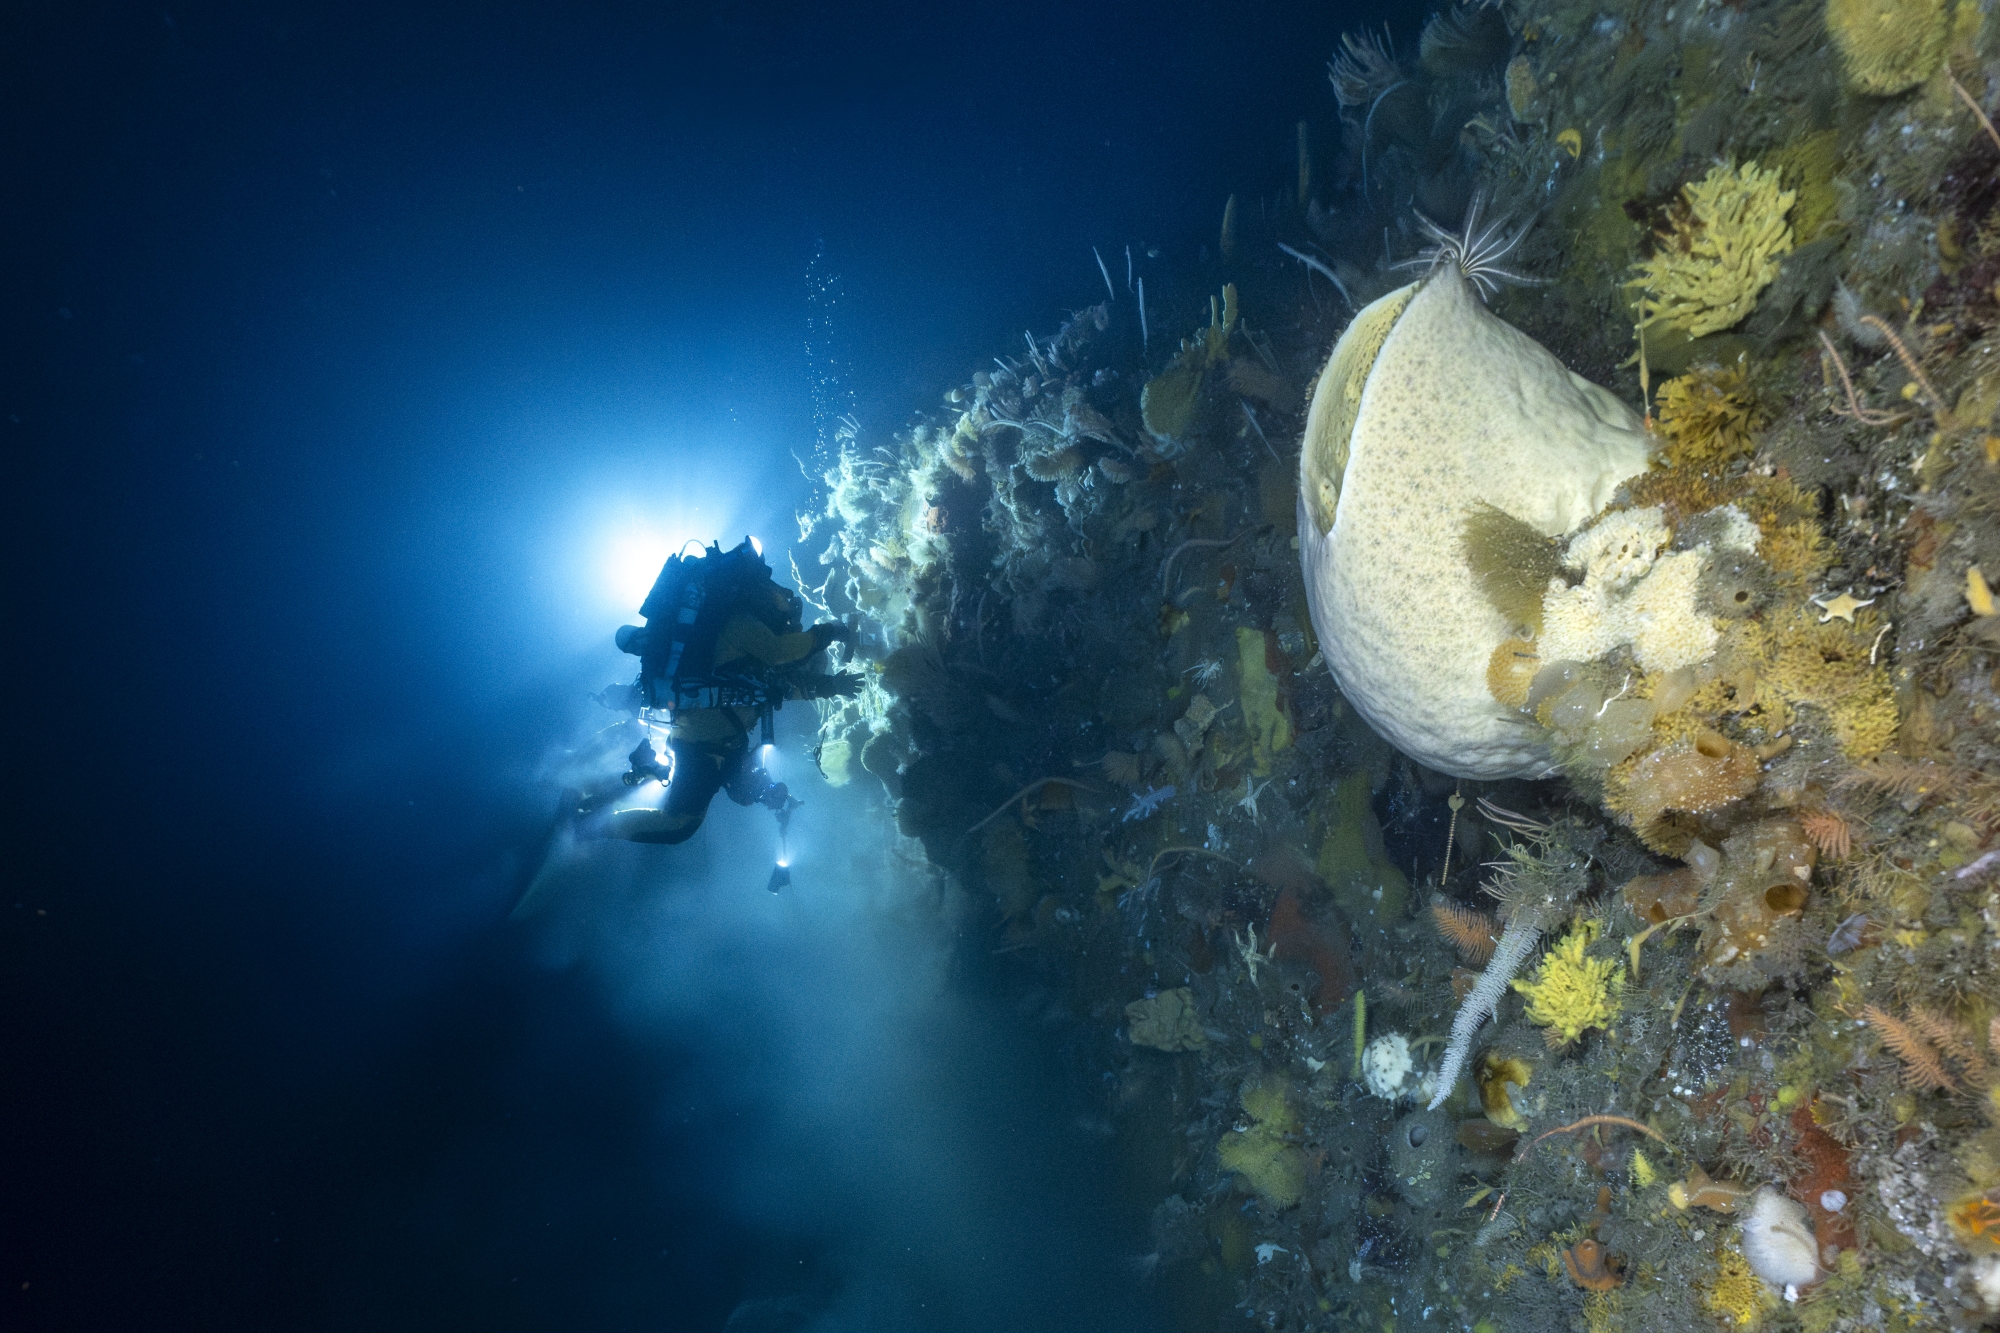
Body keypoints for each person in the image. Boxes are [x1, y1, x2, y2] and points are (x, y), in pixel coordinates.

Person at [594, 538, 859, 845]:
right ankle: (593, 827)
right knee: (680, 825)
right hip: (701, 747)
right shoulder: (736, 624)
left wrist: (829, 686)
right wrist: (831, 632)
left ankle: (634, 783)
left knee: (746, 793)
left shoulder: (741, 640)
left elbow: (773, 688)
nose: (783, 597)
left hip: (721, 744)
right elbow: (778, 652)